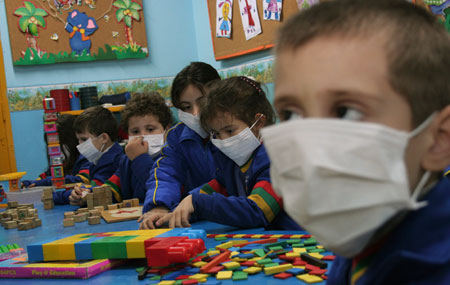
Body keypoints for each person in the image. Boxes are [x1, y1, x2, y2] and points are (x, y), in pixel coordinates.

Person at [260, 0, 450, 283]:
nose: (311, 146)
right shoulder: (363, 235)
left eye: (345, 111)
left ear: (437, 141)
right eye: (290, 114)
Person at [147, 76, 301, 230]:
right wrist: (174, 213)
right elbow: (211, 190)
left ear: (258, 123)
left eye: (229, 130)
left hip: (305, 241)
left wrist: (197, 203)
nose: (223, 140)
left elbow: (258, 210)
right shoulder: (230, 161)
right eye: (216, 133)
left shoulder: (277, 157)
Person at [139, 62, 221, 229]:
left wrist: (193, 201)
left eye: (202, 102)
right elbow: (165, 173)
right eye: (186, 107)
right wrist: (160, 206)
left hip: (226, 214)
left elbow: (225, 182)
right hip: (193, 219)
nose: (196, 113)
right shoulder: (177, 136)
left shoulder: (232, 133)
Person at [103, 92, 173, 202]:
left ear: (166, 129)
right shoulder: (127, 158)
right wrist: (88, 195)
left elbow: (159, 187)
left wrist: (139, 159)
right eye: (135, 131)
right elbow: (115, 185)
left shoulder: (171, 157)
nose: (142, 136)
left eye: (150, 129)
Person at [54, 106, 123, 205]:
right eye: (78, 139)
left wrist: (58, 196)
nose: (79, 144)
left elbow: (94, 191)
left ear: (103, 138)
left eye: (84, 139)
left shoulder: (112, 160)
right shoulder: (97, 158)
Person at [22, 114, 89, 188]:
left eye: (61, 143)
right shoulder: (61, 162)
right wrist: (32, 183)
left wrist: (46, 182)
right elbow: (46, 176)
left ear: (74, 139)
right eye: (51, 146)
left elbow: (82, 179)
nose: (56, 150)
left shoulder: (86, 158)